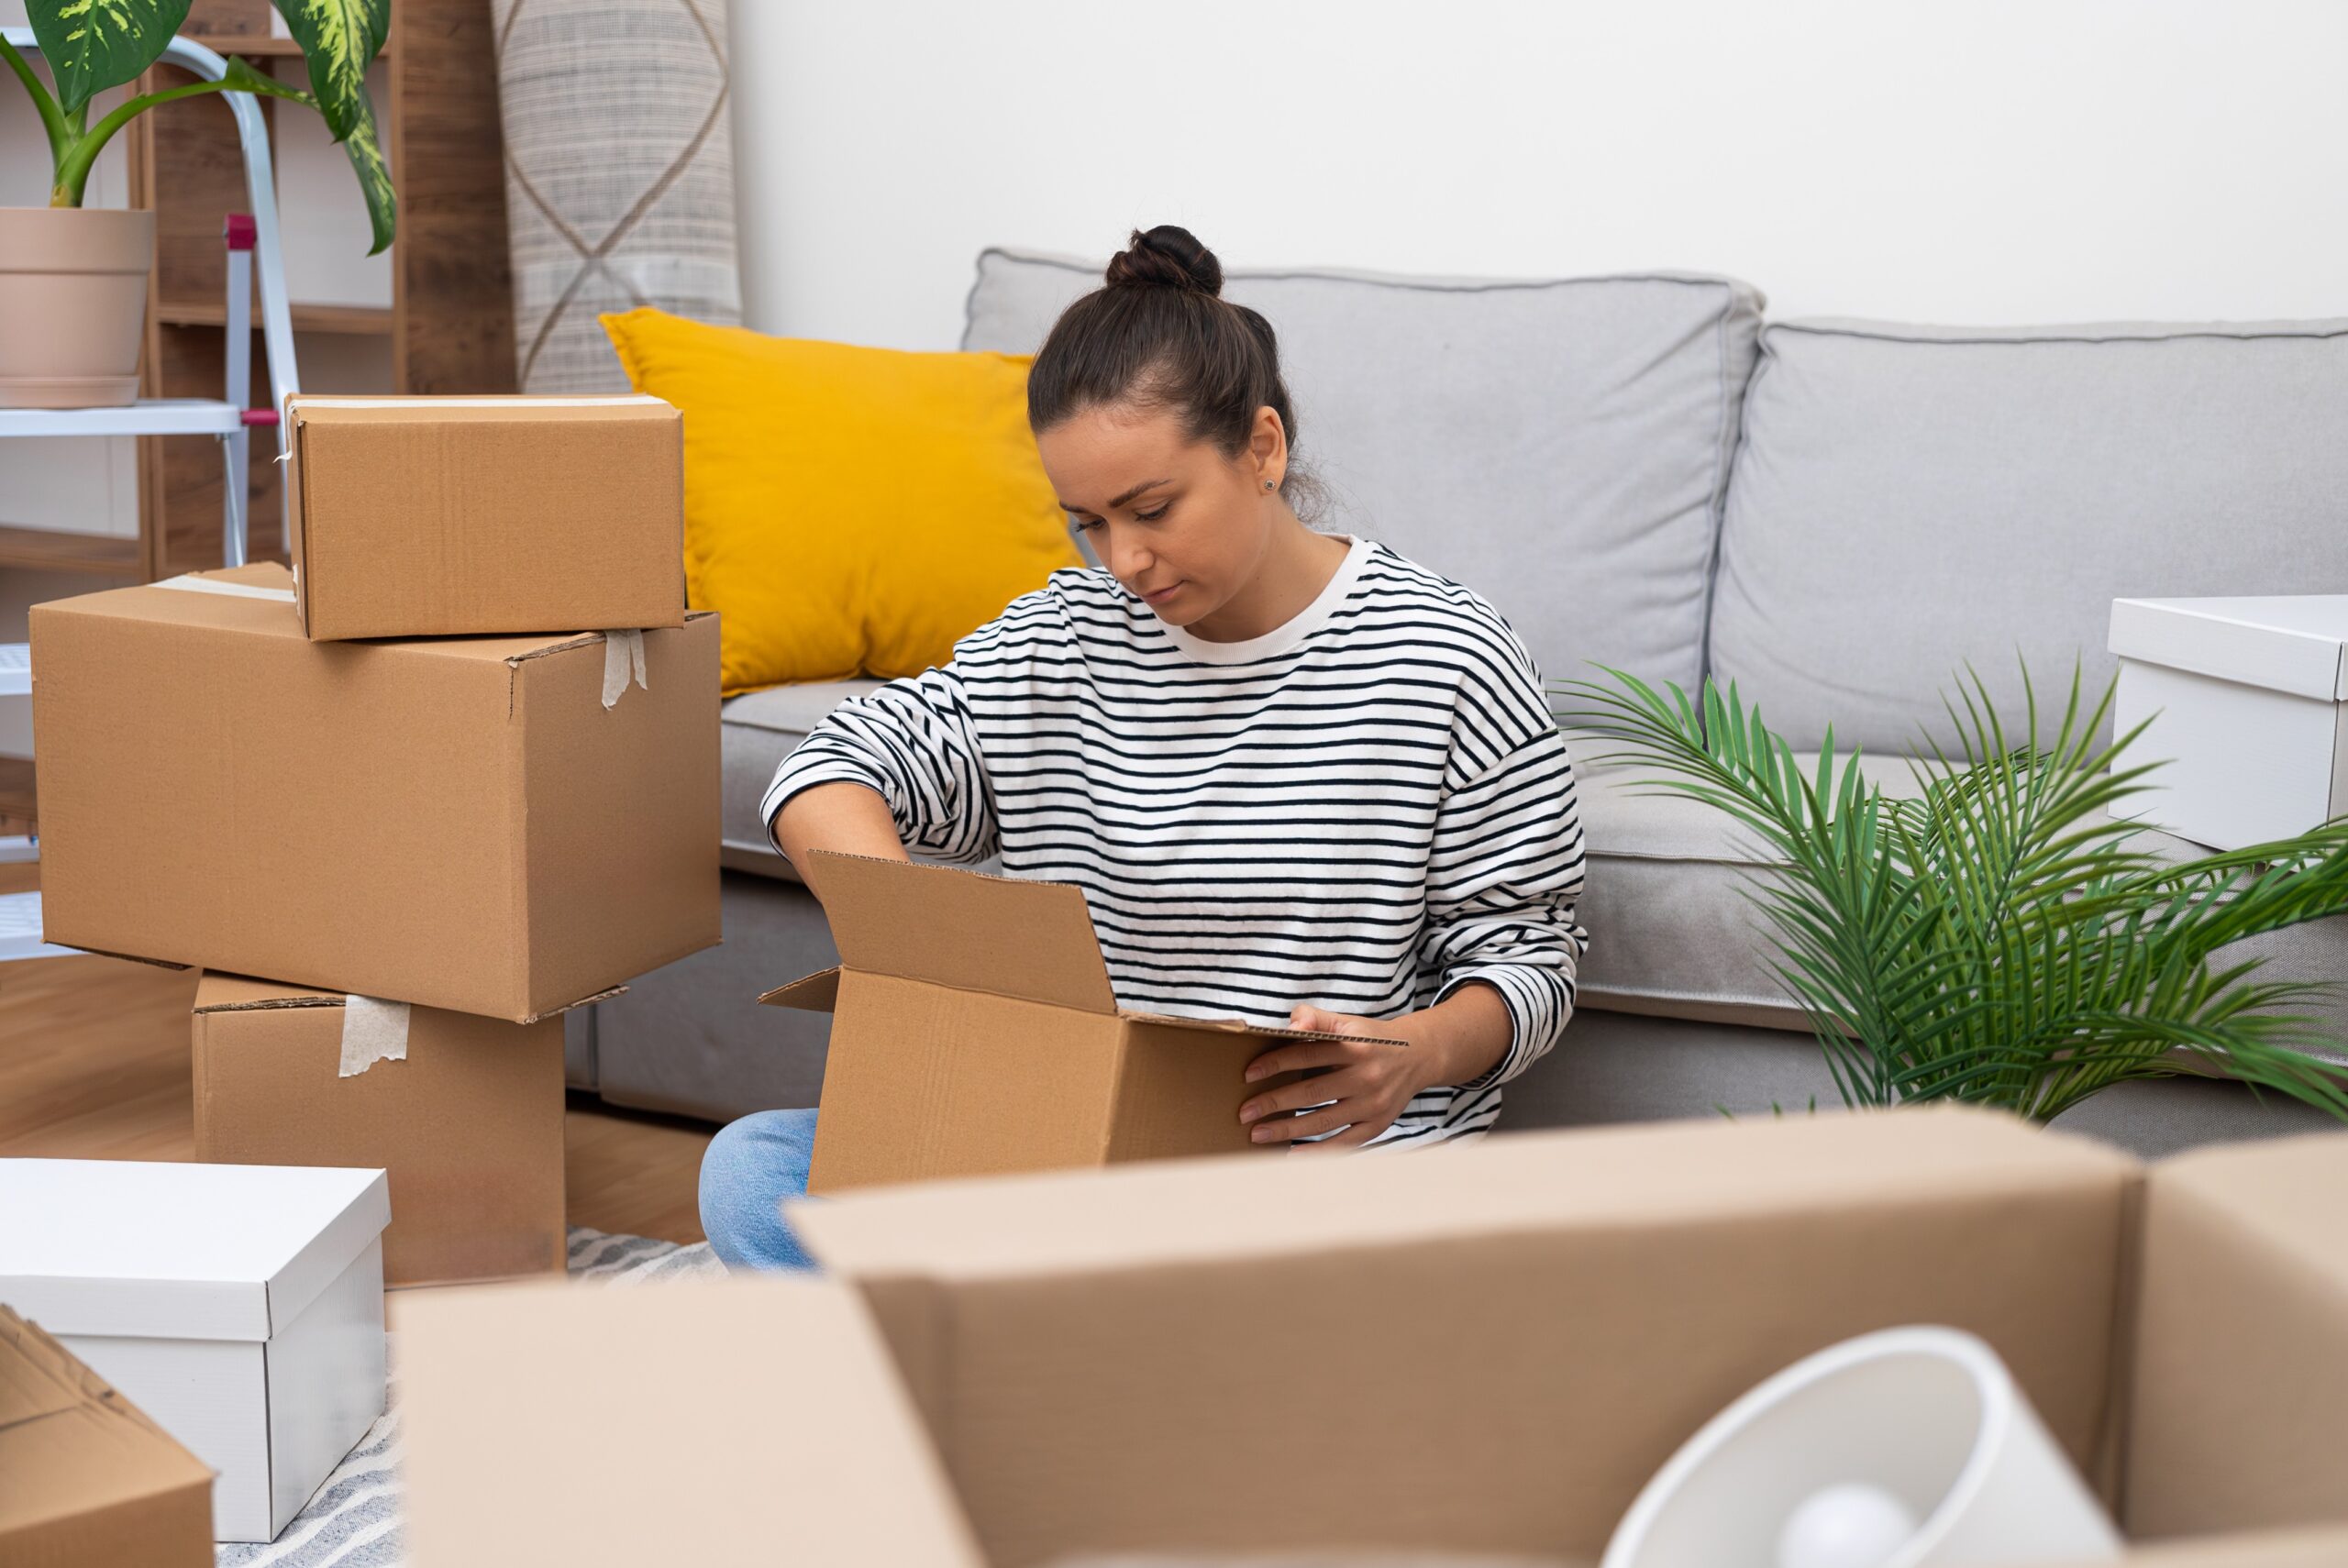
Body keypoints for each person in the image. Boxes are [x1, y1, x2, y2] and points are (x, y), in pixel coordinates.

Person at [698, 224, 1589, 1272]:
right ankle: (1082, 1363)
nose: (1126, 560)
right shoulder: (1060, 639)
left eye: (1152, 508)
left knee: (1311, 1285)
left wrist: (1421, 1050)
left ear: (1262, 448)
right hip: (1072, 1160)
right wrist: (908, 938)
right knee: (754, 1173)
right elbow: (831, 765)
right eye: (1086, 523)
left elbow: (1530, 956)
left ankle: (1050, 1363)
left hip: (1325, 1175)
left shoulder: (1447, 656)